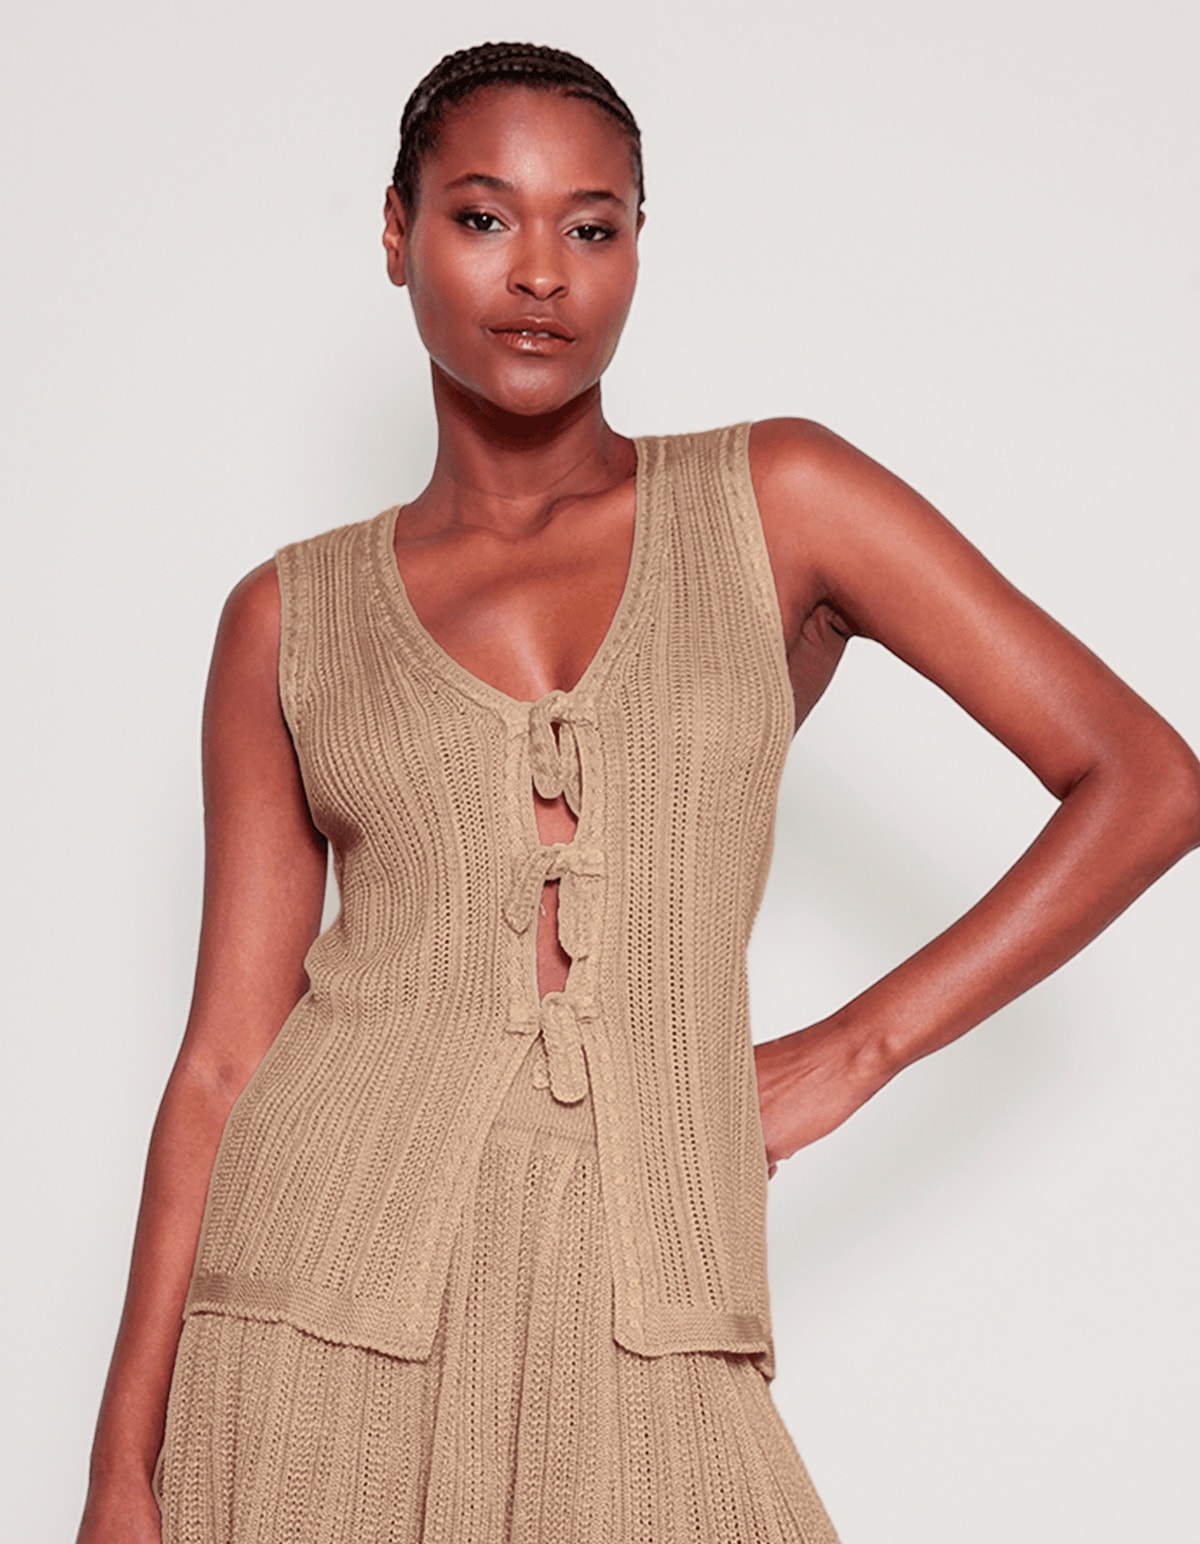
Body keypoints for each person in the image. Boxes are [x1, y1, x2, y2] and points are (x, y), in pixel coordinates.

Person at [76, 39, 1200, 1544]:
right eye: (484, 217)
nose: (541, 271)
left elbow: (1145, 782)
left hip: (654, 1287)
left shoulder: (781, 499)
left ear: (637, 250)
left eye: (590, 227)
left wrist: (851, 1053)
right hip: (310, 1302)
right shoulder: (288, 617)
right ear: (398, 233)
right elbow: (224, 1059)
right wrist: (119, 1471)